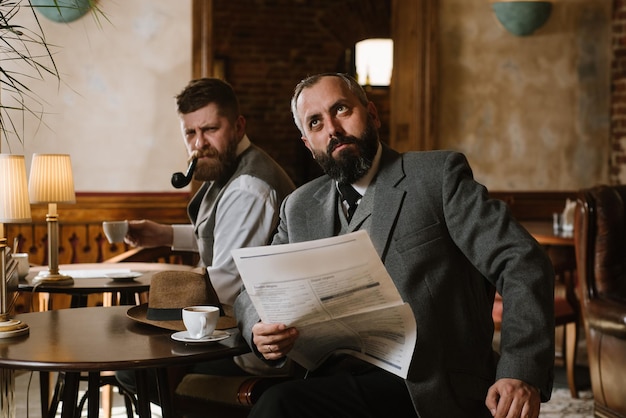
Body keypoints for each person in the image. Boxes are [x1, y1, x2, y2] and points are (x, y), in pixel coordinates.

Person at [234, 73, 555, 418]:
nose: (332, 129)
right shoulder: (299, 207)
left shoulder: (436, 177)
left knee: (280, 405)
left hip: (429, 383)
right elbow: (252, 290)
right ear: (308, 143)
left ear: (372, 114)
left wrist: (519, 370)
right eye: (315, 123)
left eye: (341, 109)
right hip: (337, 379)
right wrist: (258, 328)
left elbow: (521, 260)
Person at [116, 78, 295, 395]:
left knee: (133, 370)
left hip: (254, 346)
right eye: (190, 133)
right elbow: (224, 235)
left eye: (210, 129)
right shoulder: (227, 168)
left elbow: (227, 281)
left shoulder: (249, 188)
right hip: (228, 326)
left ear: (238, 126)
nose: (199, 143)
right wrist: (164, 235)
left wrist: (156, 293)